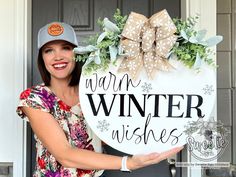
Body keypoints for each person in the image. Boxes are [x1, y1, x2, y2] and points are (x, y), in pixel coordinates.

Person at [16, 22, 183, 177]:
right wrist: (129, 163)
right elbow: (65, 155)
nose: (57, 56)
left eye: (65, 48)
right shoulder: (34, 98)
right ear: (42, 58)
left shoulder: (94, 92)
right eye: (49, 50)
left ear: (76, 53)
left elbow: (117, 128)